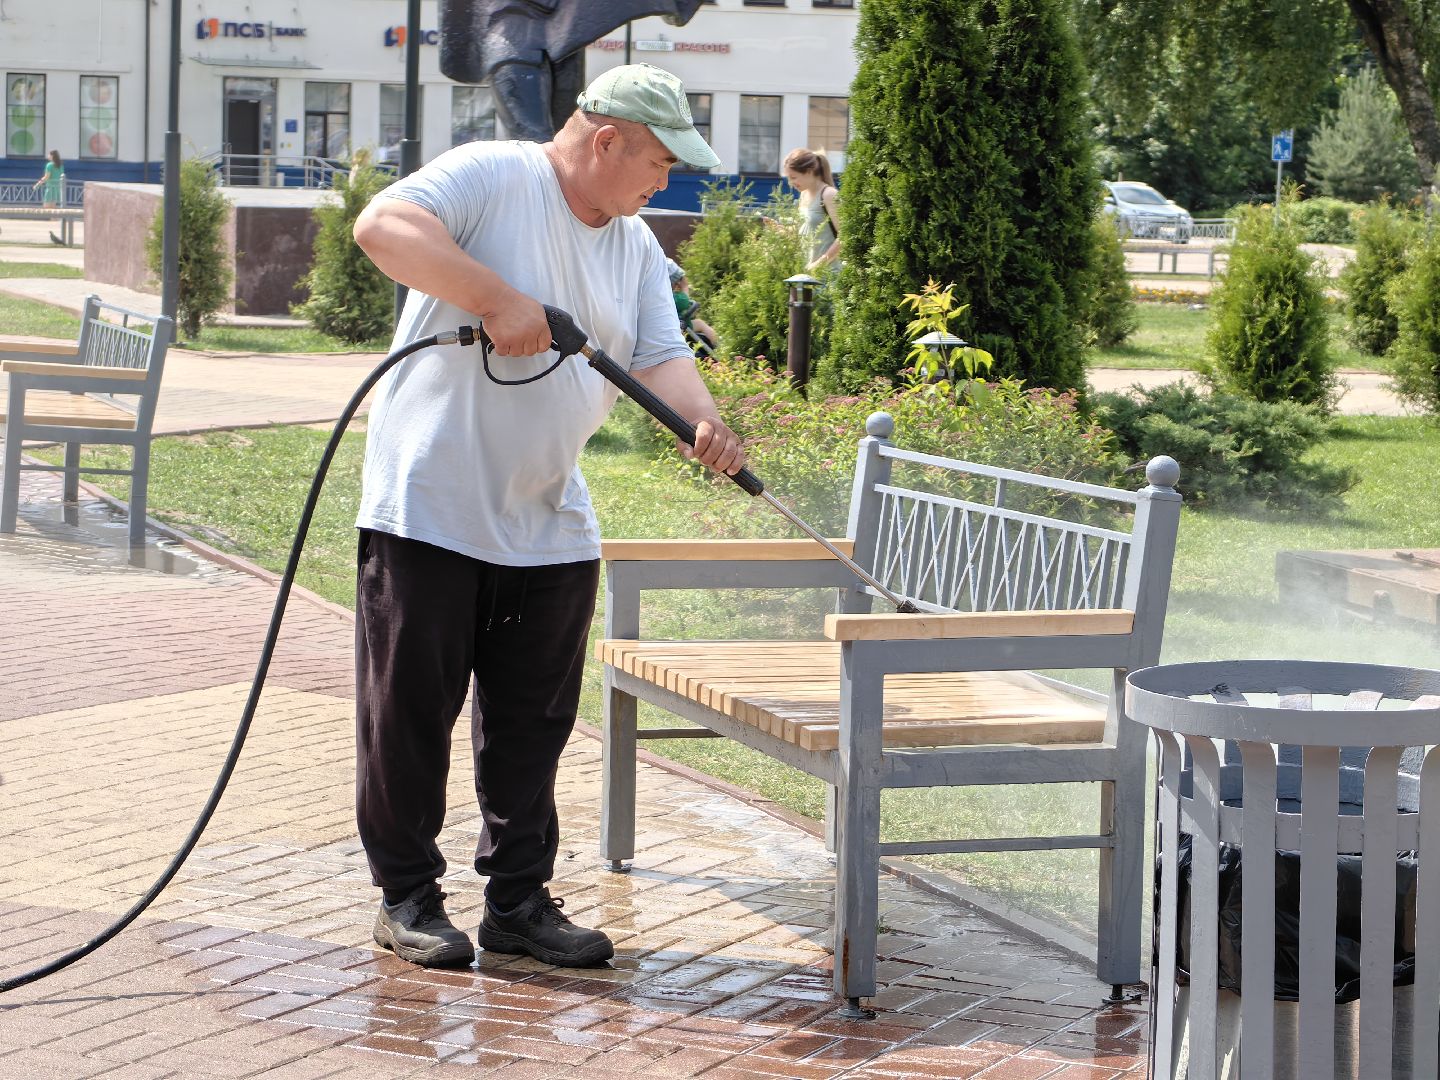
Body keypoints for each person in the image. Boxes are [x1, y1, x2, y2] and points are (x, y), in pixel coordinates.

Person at [350, 63, 743, 971]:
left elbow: (658, 355)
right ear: (606, 138)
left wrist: (705, 422)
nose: (664, 182)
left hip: (549, 516)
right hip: (432, 507)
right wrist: (497, 299)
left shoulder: (635, 244)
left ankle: (518, 903)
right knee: (410, 716)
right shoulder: (496, 175)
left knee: (532, 724)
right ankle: (406, 897)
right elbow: (383, 225)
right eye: (657, 162)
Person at [782, 147, 841, 272]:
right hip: (806, 276)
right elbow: (803, 233)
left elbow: (846, 236)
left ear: (809, 171)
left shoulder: (829, 195)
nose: (790, 183)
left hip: (829, 277)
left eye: (793, 177)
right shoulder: (803, 195)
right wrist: (779, 230)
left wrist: (819, 264)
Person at [666, 257, 717, 354]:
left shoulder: (658, 296)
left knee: (697, 321)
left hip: (671, 327)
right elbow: (684, 302)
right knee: (700, 324)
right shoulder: (673, 297)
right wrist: (684, 287)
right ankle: (717, 348)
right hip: (678, 327)